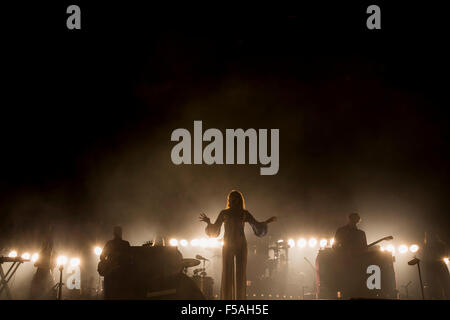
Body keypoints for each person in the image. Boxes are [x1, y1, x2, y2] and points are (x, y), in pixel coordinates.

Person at [199, 190, 277, 300]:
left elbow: (256, 224)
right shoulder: (224, 213)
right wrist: (208, 222)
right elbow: (215, 228)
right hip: (228, 244)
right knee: (227, 272)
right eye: (231, 197)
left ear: (239, 199)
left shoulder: (244, 213)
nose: (233, 199)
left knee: (241, 274)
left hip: (241, 244)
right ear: (229, 200)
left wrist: (267, 222)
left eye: (235, 197)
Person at [98, 226, 131, 299]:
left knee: (110, 295)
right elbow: (130, 259)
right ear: (121, 233)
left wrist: (109, 264)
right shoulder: (125, 244)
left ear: (113, 233)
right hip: (122, 275)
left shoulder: (109, 243)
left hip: (111, 275)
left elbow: (101, 257)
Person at [29, 226, 56, 299]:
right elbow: (36, 264)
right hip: (41, 270)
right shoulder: (43, 249)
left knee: (44, 287)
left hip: (45, 271)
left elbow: (52, 263)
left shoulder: (50, 249)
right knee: (37, 287)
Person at [422, 232, 450, 299]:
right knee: (433, 285)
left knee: (445, 284)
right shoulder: (426, 246)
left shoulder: (441, 245)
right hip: (432, 266)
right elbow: (424, 257)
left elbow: (445, 255)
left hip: (439, 265)